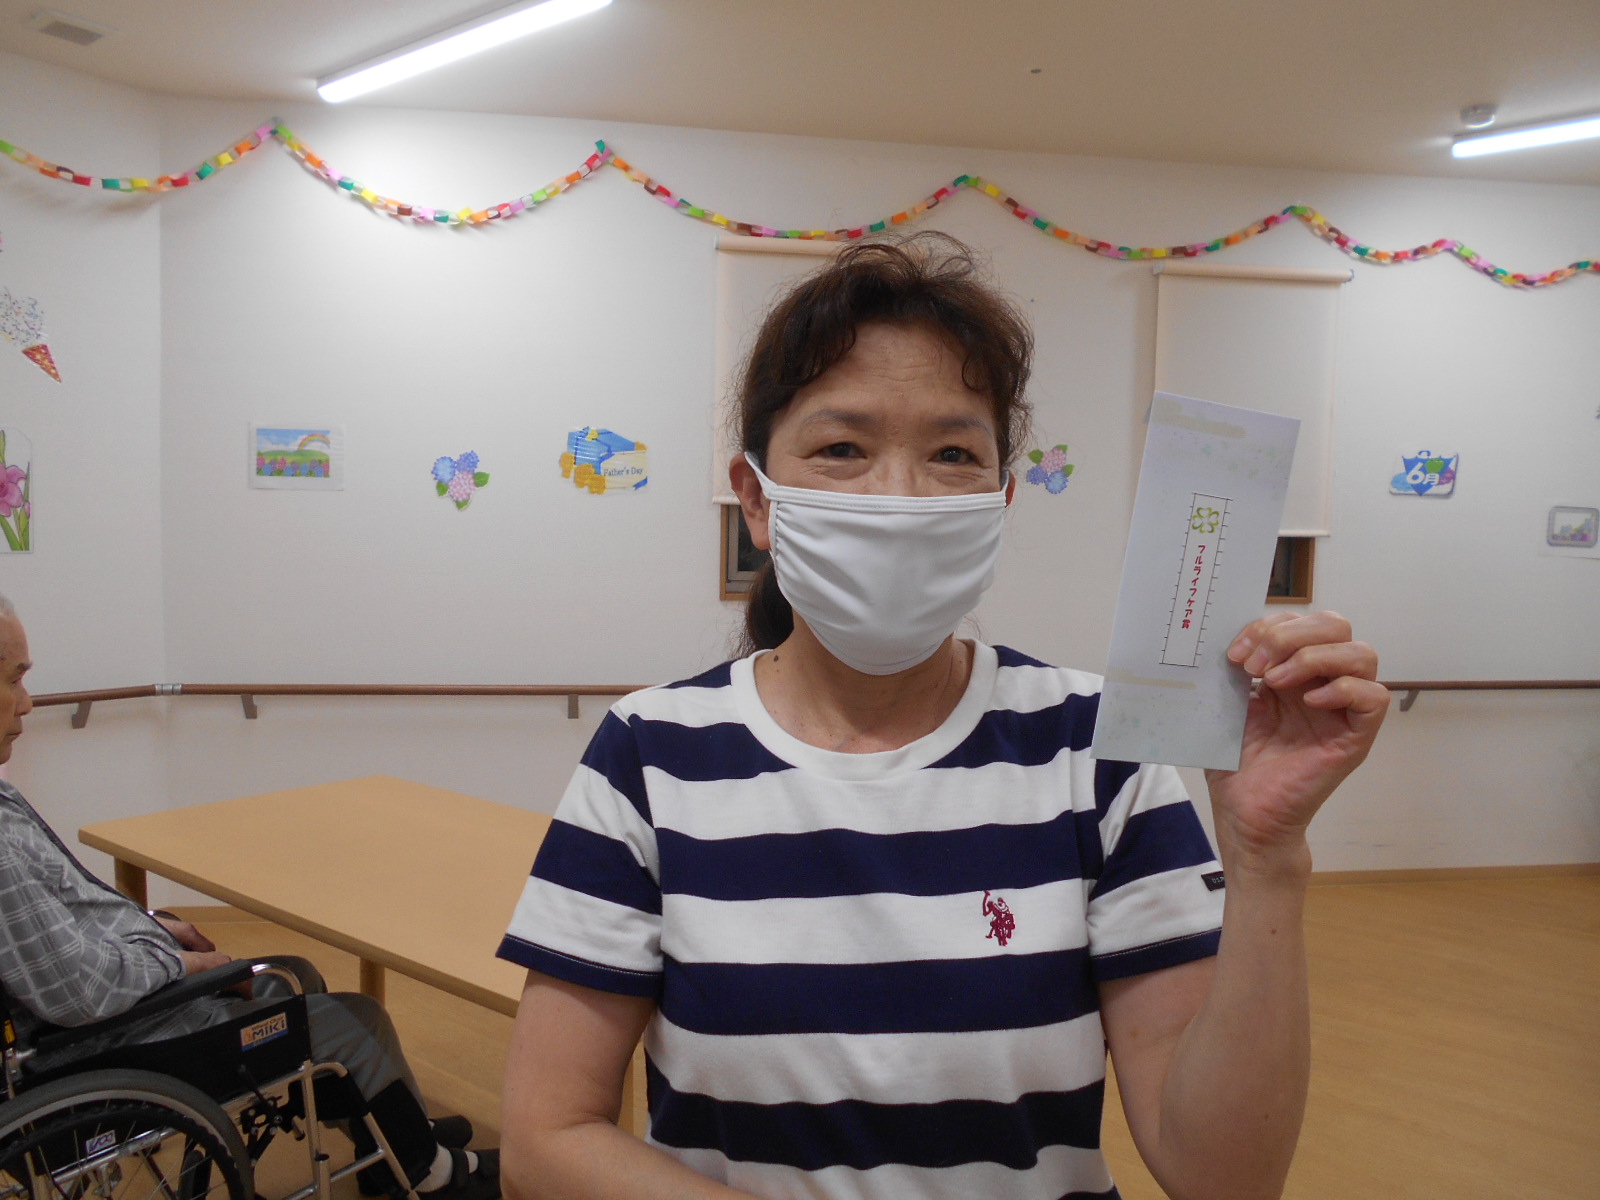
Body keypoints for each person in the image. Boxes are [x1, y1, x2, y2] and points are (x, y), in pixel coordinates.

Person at [496, 234, 1389, 1200]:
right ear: (756, 498)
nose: (898, 498)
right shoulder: (651, 753)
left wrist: (1266, 862)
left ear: (1000, 499)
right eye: (842, 449)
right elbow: (547, 1141)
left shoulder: (1097, 748)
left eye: (953, 454)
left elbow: (1224, 1176)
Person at [0, 594, 499, 1200]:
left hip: (102, 1020)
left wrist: (157, 926)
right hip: (111, 1043)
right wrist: (186, 964)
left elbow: (69, 918)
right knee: (354, 1019)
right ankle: (427, 1173)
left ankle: (394, 1134)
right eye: (14, 679)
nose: (27, 701)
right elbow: (83, 992)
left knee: (300, 972)